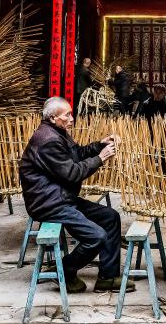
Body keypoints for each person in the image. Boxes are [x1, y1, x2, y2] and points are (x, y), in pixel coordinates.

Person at [19, 97, 134, 294]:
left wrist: (99, 145)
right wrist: (101, 158)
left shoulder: (58, 133)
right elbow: (72, 173)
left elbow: (77, 154)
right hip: (48, 203)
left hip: (62, 198)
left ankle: (108, 277)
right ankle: (64, 270)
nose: (72, 118)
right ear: (53, 118)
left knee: (110, 217)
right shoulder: (48, 141)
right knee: (96, 237)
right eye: (67, 115)